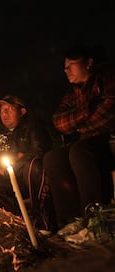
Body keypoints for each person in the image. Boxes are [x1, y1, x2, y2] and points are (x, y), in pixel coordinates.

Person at [43, 45, 115, 239]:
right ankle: (71, 219)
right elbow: (59, 122)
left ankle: (94, 218)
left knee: (79, 151)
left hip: (110, 140)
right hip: (89, 140)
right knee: (53, 158)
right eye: (65, 66)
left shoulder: (107, 78)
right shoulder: (73, 92)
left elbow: (108, 115)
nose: (66, 70)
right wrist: (86, 112)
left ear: (89, 63)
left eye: (71, 65)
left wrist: (79, 125)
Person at [0, 95, 54, 230]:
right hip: (6, 177)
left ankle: (44, 221)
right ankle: (8, 219)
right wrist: (0, 164)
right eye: (2, 110)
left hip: (26, 176)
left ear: (22, 112)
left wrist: (15, 162)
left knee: (34, 166)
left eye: (9, 109)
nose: (4, 113)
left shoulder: (33, 127)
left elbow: (39, 151)